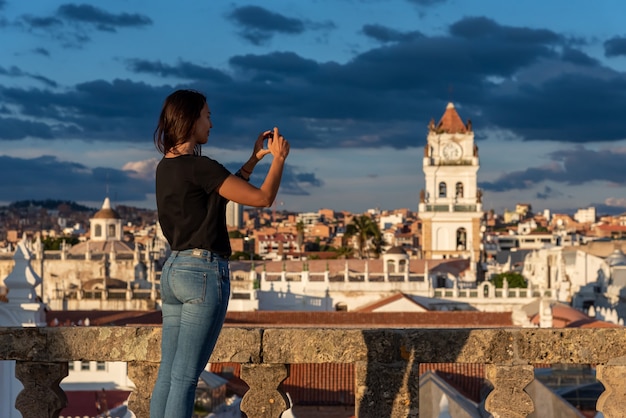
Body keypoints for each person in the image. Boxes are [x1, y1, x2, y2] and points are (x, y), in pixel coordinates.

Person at [150, 89, 290, 418]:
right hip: (202, 274)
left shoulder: (165, 168)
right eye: (207, 116)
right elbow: (262, 198)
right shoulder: (200, 167)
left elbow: (221, 194)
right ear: (190, 120)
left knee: (168, 376)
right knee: (185, 379)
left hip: (173, 271)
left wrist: (255, 158)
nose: (211, 123)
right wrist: (279, 159)